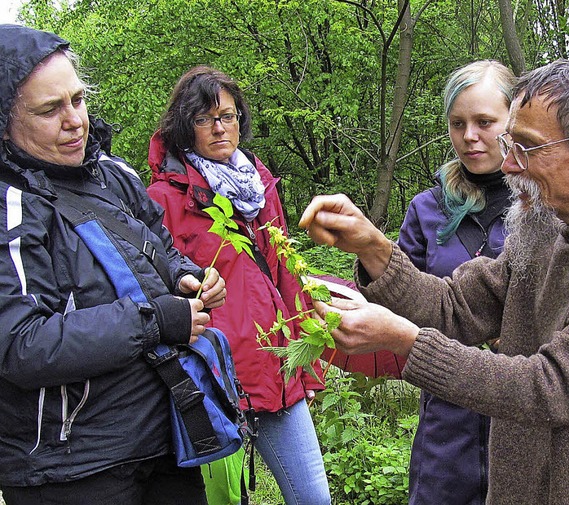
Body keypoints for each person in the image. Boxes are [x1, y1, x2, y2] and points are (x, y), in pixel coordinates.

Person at [300, 59, 569, 504]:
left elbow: (549, 387)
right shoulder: (545, 226)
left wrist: (406, 341)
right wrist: (373, 247)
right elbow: (455, 308)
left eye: (529, 148)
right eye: (510, 144)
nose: (510, 166)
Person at [0, 25, 227, 505]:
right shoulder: (11, 207)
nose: (75, 121)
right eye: (49, 109)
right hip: (69, 467)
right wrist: (156, 321)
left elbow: (161, 248)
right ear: (5, 121)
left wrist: (184, 277)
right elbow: (19, 345)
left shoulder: (113, 176)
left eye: (78, 100)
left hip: (164, 436)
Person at [146, 66, 331, 505]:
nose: (219, 128)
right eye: (204, 119)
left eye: (228, 116)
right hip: (215, 374)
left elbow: (283, 269)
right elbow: (158, 288)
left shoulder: (258, 184)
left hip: (275, 363)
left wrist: (305, 338)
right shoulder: (164, 199)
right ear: (183, 126)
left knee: (313, 498)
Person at [398, 60, 514, 505]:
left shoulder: (542, 206)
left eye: (485, 122)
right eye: (458, 123)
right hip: (444, 422)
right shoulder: (427, 210)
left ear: (513, 122)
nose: (469, 136)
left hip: (520, 412)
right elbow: (400, 302)